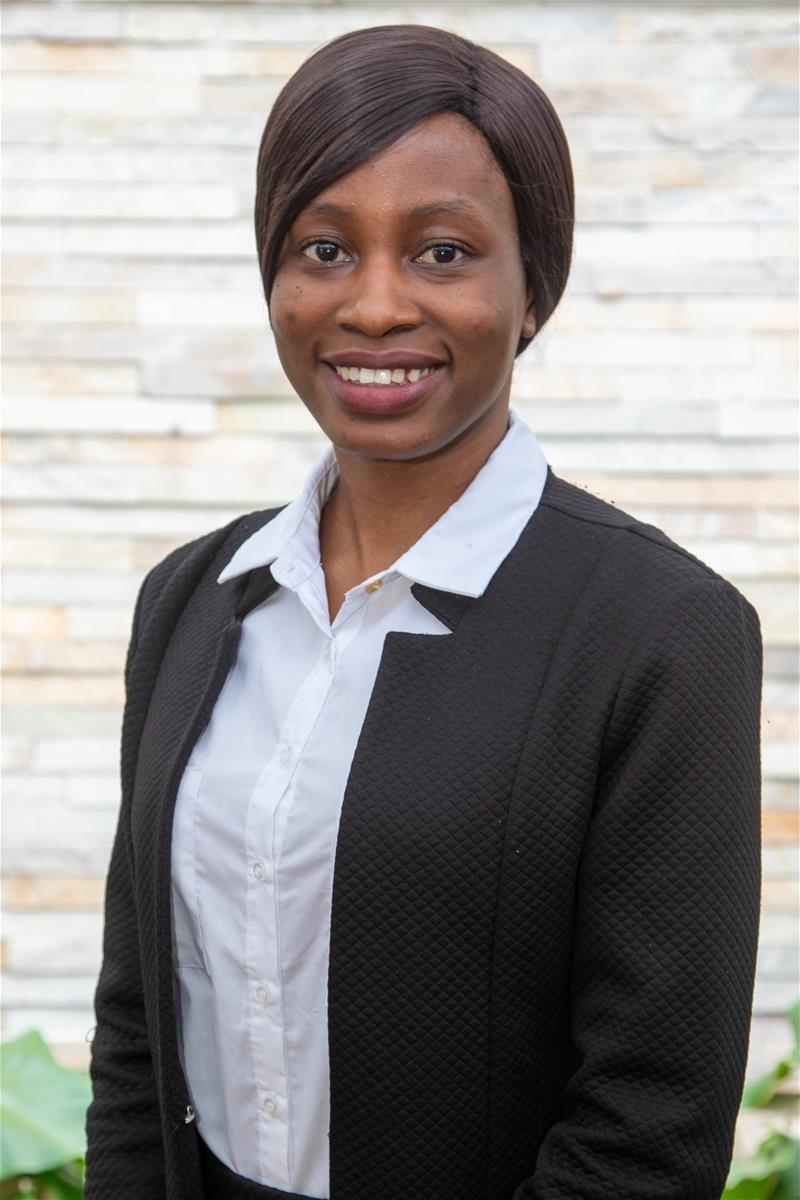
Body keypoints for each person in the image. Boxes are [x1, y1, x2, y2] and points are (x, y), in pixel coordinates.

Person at [85, 24, 762, 1200]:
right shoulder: (191, 600)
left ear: (532, 289)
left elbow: (647, 1128)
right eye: (324, 248)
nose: (374, 304)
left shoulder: (658, 635)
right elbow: (140, 1025)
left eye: (442, 251)